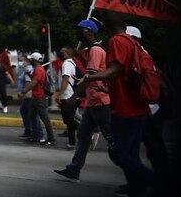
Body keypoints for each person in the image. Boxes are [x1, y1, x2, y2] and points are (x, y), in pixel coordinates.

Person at [78, 13, 165, 197]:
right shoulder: (135, 43)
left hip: (126, 109)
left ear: (108, 29)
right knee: (131, 154)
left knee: (121, 154)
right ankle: (135, 188)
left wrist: (91, 77)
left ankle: (157, 182)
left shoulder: (117, 41)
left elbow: (114, 70)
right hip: (139, 107)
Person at [54, 18, 112, 182]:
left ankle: (133, 173)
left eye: (81, 29)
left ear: (89, 31)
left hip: (101, 101)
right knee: (83, 134)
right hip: (94, 101)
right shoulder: (92, 50)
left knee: (112, 140)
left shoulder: (95, 50)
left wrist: (73, 97)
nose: (78, 32)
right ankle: (74, 169)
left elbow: (89, 77)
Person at [22, 52, 56, 146]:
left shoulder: (38, 70)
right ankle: (35, 136)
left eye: (31, 59)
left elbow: (35, 82)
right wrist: (28, 73)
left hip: (39, 97)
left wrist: (24, 91)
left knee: (45, 118)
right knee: (32, 116)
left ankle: (51, 138)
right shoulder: (38, 69)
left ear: (35, 60)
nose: (30, 61)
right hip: (36, 97)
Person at [55, 46, 79, 148]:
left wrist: (59, 94)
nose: (60, 54)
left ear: (68, 54)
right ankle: (72, 142)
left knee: (68, 120)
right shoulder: (71, 63)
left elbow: (65, 79)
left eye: (62, 52)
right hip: (71, 95)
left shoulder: (67, 64)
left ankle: (88, 131)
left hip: (68, 96)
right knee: (69, 121)